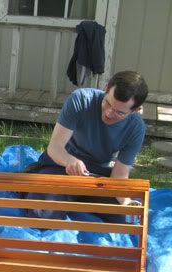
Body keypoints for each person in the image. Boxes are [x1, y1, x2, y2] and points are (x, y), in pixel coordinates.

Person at [26, 70, 148, 223]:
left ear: (135, 110)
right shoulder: (81, 99)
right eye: (107, 103)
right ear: (106, 87)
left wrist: (125, 201)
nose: (109, 113)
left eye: (119, 112)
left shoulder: (136, 128)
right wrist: (69, 161)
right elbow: (55, 148)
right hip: (60, 167)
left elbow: (119, 174)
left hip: (96, 177)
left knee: (124, 219)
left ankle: (71, 198)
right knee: (41, 216)